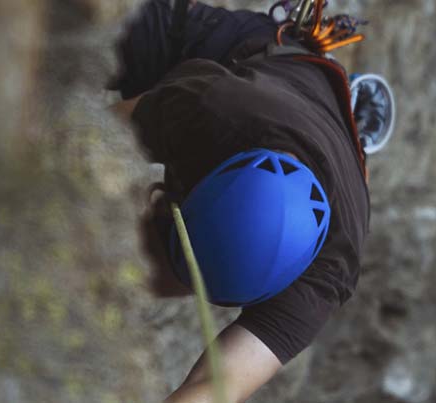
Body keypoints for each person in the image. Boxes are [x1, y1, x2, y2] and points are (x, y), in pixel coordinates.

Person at [108, 1, 376, 401]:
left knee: (144, 273)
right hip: (236, 53)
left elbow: (214, 387)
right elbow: (92, 132)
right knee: (90, 32)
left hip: (298, 112)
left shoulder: (323, 277)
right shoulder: (211, 107)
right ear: (170, 198)